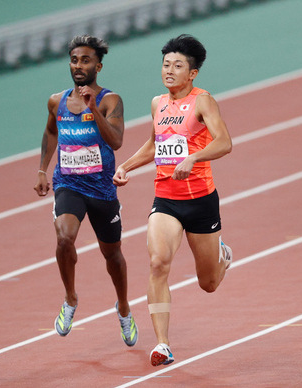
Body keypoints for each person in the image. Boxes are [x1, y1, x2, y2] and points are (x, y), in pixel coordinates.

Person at [112, 34, 233, 366]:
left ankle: (222, 255)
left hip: (201, 200)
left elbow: (224, 142)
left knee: (208, 283)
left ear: (192, 73)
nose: (169, 71)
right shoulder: (157, 104)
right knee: (157, 263)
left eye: (177, 65)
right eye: (166, 64)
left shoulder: (203, 101)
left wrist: (194, 159)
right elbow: (154, 146)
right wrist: (125, 165)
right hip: (165, 199)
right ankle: (163, 344)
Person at [33, 35, 138, 347]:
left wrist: (93, 109)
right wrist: (42, 168)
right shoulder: (57, 101)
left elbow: (117, 141)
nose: (79, 66)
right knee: (64, 237)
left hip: (102, 189)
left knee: (112, 255)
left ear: (98, 66)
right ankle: (70, 298)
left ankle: (123, 307)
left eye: (86, 60)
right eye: (75, 60)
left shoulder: (110, 101)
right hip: (69, 183)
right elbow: (51, 131)